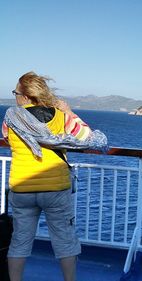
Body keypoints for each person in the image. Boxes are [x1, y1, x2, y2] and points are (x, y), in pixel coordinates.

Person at [2, 72, 105, 281]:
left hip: (23, 188)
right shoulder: (60, 116)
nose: (15, 97)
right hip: (56, 189)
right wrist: (68, 111)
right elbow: (87, 136)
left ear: (25, 96)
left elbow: (6, 137)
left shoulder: (11, 118)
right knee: (64, 241)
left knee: (19, 242)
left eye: (15, 92)